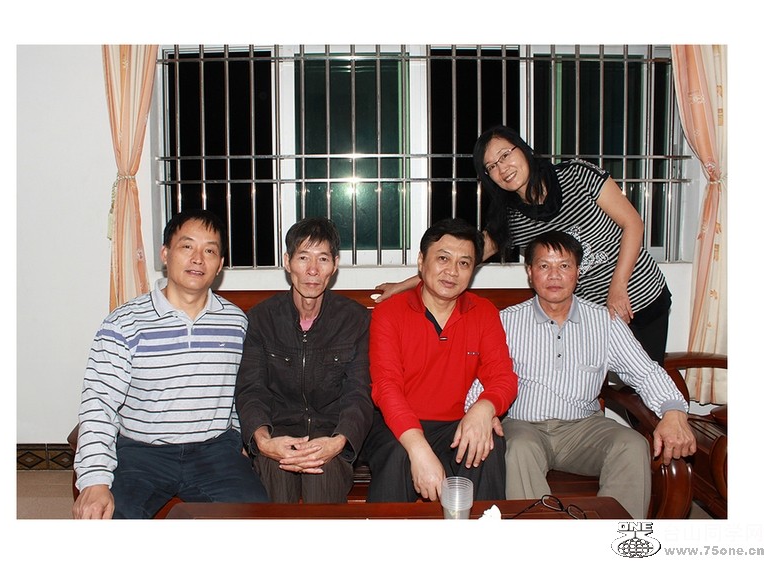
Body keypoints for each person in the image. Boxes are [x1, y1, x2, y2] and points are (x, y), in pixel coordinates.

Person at [375, 125, 671, 365]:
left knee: (644, 387)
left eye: (505, 155)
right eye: (491, 166)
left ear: (523, 149)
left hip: (641, 297)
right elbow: (465, 255)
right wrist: (404, 285)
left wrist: (618, 287)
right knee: (594, 388)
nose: (502, 168)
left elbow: (633, 223)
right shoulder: (511, 219)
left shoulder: (577, 175)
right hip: (591, 317)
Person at [72, 209, 268, 519]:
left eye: (210, 251)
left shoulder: (235, 323)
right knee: (110, 517)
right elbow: (99, 403)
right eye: (187, 246)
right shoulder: (124, 323)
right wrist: (94, 480)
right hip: (141, 451)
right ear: (166, 253)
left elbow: (242, 391)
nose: (198, 259)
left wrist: (240, 437)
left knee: (258, 519)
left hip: (214, 450)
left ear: (220, 265)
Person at [498, 230, 695, 519]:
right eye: (544, 266)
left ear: (578, 272)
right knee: (518, 448)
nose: (554, 275)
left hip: (583, 429)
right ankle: (540, 537)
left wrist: (674, 411)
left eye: (564, 266)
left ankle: (615, 537)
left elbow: (645, 371)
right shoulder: (505, 322)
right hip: (524, 426)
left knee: (632, 445)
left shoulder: (604, 321)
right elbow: (483, 377)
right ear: (530, 272)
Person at [364, 217, 518, 503]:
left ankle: (483, 529)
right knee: (399, 455)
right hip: (395, 423)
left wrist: (484, 409)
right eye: (443, 259)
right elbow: (386, 387)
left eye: (464, 263)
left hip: (454, 424)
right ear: (422, 262)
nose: (452, 271)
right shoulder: (390, 313)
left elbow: (503, 377)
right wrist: (418, 448)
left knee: (487, 446)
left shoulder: (483, 312)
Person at [235, 217, 373, 503]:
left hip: (331, 435)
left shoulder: (355, 320)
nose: (312, 270)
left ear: (335, 265)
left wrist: (338, 442)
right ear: (287, 262)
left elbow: (358, 393)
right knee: (276, 472)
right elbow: (252, 389)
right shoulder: (262, 318)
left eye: (322, 259)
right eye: (303, 257)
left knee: (321, 475)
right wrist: (264, 441)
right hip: (277, 434)